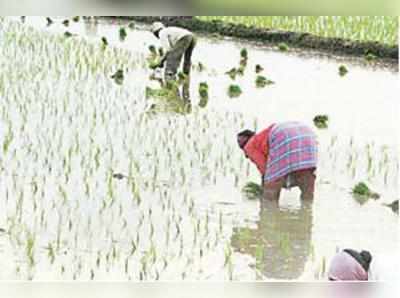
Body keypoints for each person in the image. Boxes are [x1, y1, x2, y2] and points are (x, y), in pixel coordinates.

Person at [237, 121, 318, 201]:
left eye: (241, 144)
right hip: (307, 134)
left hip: (282, 134)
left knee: (270, 193)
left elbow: (265, 170)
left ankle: (270, 212)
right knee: (306, 180)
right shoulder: (262, 138)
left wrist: (264, 190)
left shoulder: (250, 145)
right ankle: (307, 211)